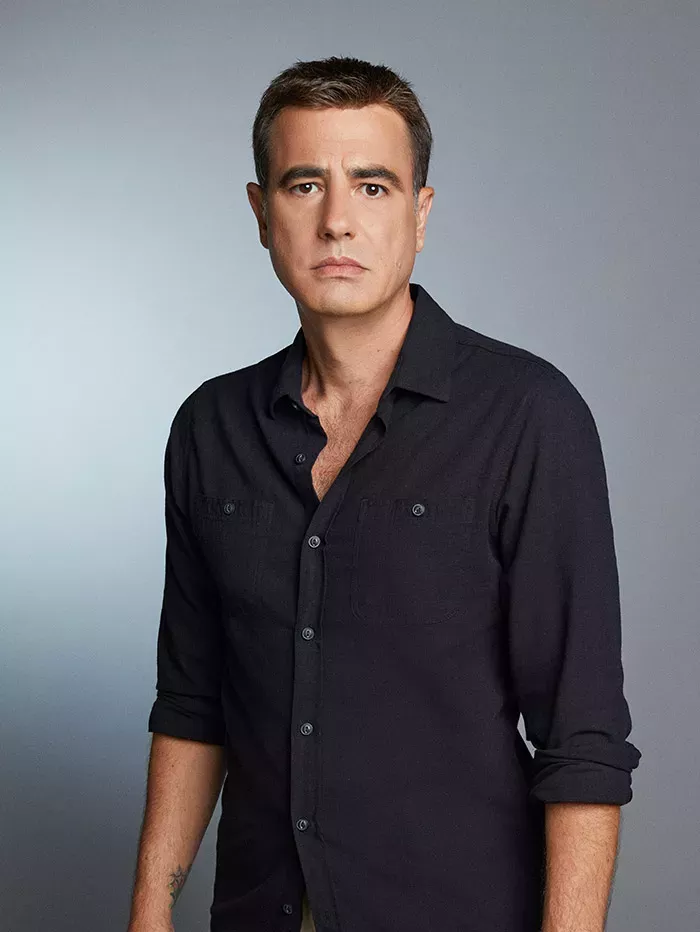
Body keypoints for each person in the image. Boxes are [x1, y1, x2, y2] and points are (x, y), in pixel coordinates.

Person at [127, 56, 642, 932]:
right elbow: (192, 700)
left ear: (421, 212)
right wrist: (149, 908)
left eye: (373, 186)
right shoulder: (209, 429)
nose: (338, 220)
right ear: (261, 214)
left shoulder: (528, 416)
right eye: (304, 185)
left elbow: (582, 739)